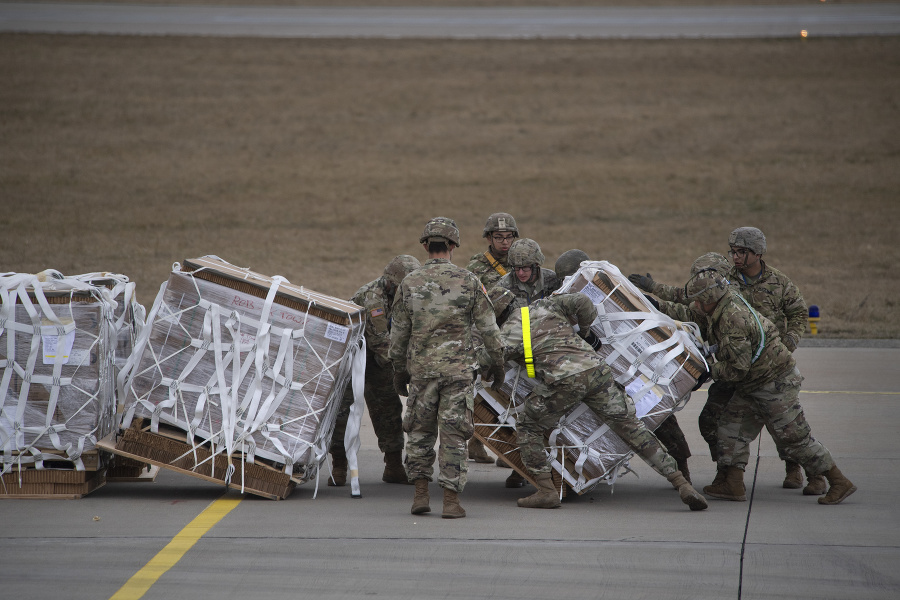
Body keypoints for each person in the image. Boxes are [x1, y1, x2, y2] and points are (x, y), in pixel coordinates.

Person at [632, 229, 823, 495]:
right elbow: (690, 301)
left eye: (741, 252)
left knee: (785, 427)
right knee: (712, 420)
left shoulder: (779, 283)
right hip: (734, 367)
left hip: (764, 368)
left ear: (758, 253)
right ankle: (727, 475)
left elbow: (799, 314)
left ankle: (806, 471)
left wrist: (787, 344)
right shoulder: (723, 280)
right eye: (733, 251)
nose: (735, 257)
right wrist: (652, 297)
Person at [488, 287, 708, 511]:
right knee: (632, 430)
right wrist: (584, 331)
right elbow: (583, 302)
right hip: (597, 372)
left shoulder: (509, 331)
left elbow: (491, 361)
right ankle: (681, 483)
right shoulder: (544, 305)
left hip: (565, 381)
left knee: (528, 425)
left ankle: (546, 491)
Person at [656, 269, 856, 506]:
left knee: (794, 439)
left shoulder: (733, 319)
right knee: (730, 429)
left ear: (711, 299)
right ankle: (733, 484)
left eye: (700, 300)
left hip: (774, 382)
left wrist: (706, 370)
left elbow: (737, 369)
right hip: (752, 383)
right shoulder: (723, 305)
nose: (696, 305)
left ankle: (838, 481)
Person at [389, 217, 506, 519]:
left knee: (419, 433)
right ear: (453, 246)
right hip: (458, 374)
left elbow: (398, 338)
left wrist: (400, 372)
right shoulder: (469, 281)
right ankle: (451, 502)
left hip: (422, 374)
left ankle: (420, 495)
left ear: (426, 246)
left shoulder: (409, 283)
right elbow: (491, 332)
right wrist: (497, 364)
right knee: (454, 436)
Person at [562, 249, 695, 482]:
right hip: (598, 373)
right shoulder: (564, 299)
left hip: (630, 369)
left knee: (655, 417)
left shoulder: (606, 294)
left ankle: (680, 469)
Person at [327, 255, 421, 487]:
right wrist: (408, 368)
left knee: (388, 410)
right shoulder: (373, 299)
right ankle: (338, 466)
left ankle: (393, 466)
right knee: (343, 413)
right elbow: (382, 344)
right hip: (351, 361)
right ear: (390, 282)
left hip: (379, 361)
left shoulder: (406, 296)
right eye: (402, 287)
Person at [465, 213, 519, 464]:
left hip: (516, 335)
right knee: (484, 391)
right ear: (489, 238)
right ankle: (477, 442)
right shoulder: (476, 266)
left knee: (513, 391)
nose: (504, 242)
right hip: (487, 335)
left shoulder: (523, 261)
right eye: (499, 237)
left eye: (509, 237)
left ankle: (506, 448)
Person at [492, 238, 559, 309]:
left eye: (525, 268)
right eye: (517, 267)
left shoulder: (553, 280)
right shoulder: (504, 285)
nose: (520, 273)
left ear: (535, 265)